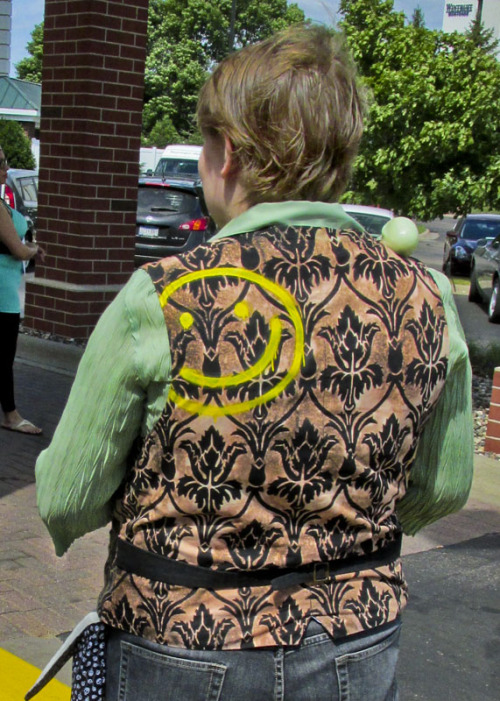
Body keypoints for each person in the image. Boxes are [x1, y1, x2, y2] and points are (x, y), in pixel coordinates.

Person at [33, 25, 473, 701]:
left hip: (181, 639)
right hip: (354, 642)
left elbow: (67, 493)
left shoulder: (165, 296)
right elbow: (442, 485)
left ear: (228, 153)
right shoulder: (428, 294)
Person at [0, 147, 44, 435]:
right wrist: (34, 250)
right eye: (0, 163)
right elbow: (16, 249)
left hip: (6, 288)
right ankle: (11, 415)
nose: (5, 168)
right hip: (2, 293)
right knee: (5, 356)